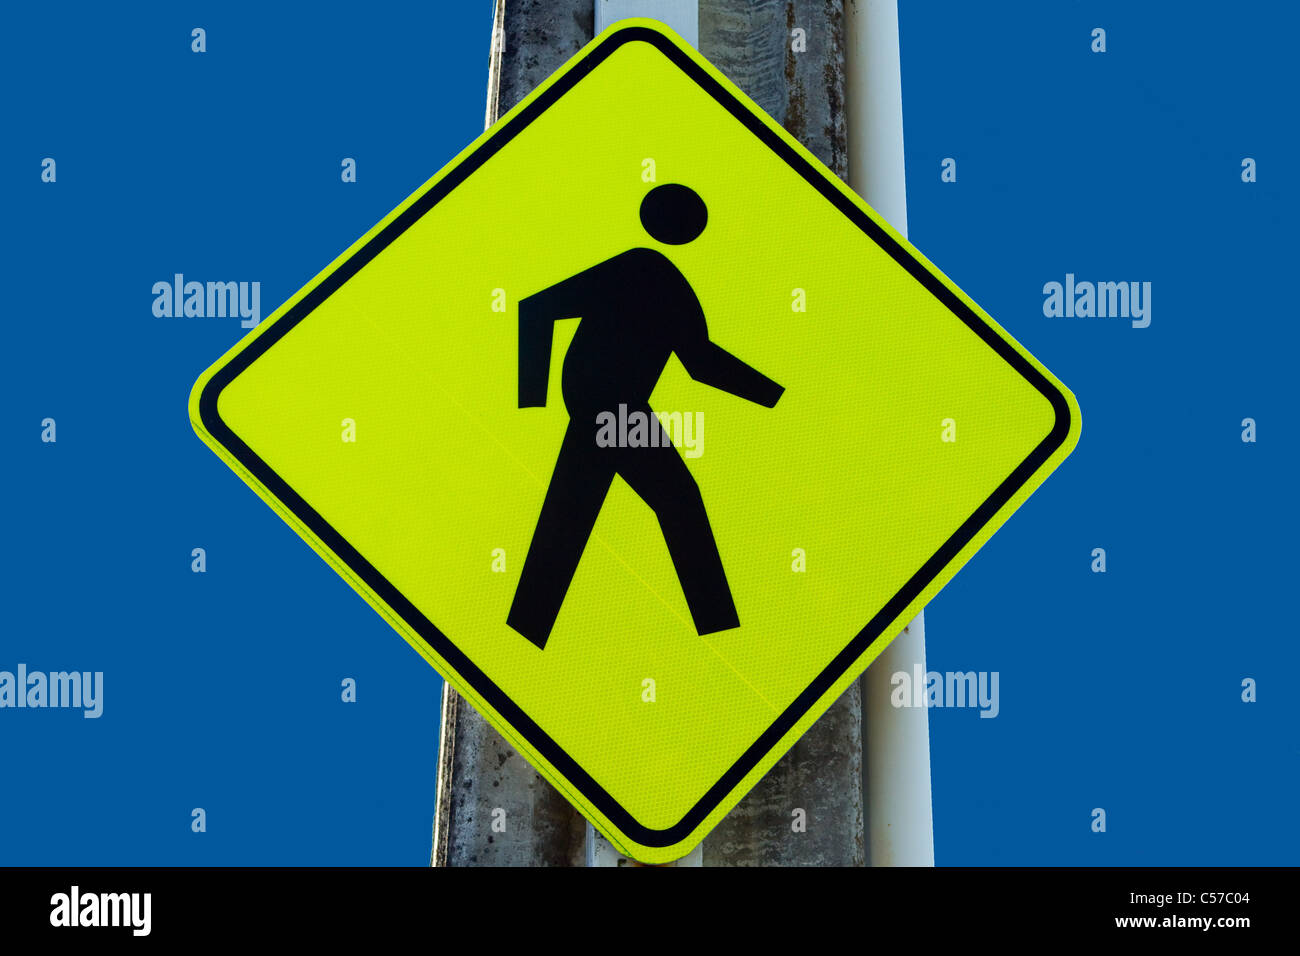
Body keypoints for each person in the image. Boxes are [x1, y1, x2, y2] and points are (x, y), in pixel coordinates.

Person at [508, 184, 784, 649]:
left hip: (611, 404)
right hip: (608, 404)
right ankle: (722, 635)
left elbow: (700, 362)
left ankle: (525, 630)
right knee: (678, 498)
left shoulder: (667, 283)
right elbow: (536, 310)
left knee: (573, 509)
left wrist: (775, 396)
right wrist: (531, 404)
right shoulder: (641, 267)